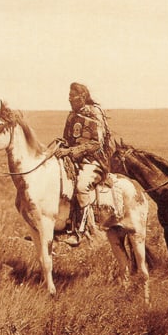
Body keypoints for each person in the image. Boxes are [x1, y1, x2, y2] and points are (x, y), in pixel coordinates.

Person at [53, 82, 111, 245]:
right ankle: (58, 225)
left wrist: (70, 151)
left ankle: (81, 230)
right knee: (56, 181)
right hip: (72, 159)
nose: (69, 99)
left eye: (73, 96)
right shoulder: (71, 115)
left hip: (93, 160)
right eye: (69, 96)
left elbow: (96, 143)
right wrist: (60, 147)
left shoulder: (95, 113)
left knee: (81, 186)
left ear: (83, 97)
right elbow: (67, 138)